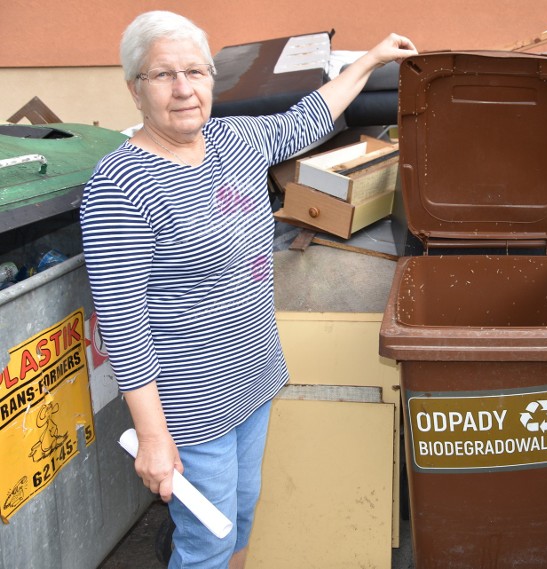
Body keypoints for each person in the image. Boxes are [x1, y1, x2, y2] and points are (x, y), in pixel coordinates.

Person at [80, 11, 416, 569]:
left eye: (196, 71)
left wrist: (370, 61)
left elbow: (306, 120)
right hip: (190, 406)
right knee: (207, 539)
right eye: (163, 76)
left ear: (213, 78)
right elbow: (122, 324)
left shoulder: (232, 139)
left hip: (252, 379)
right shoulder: (119, 185)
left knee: (241, 515)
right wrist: (154, 438)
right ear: (134, 90)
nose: (184, 89)